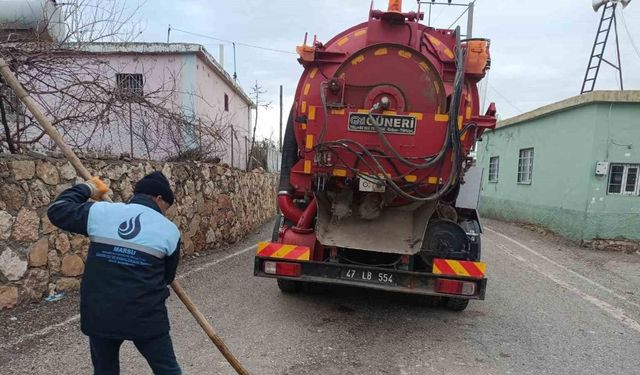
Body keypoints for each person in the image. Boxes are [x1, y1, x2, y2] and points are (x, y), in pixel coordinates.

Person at [47, 171, 182, 375]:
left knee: (105, 371)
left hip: (101, 314)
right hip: (146, 317)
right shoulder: (170, 230)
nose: (165, 212)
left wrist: (88, 188)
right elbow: (167, 277)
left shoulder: (101, 212)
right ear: (159, 198)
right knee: (167, 370)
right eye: (166, 207)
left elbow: (57, 210)